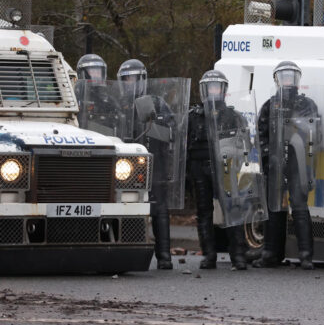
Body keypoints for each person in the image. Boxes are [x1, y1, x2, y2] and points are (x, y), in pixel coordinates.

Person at [253, 61, 319, 270]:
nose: (288, 80)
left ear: (297, 79)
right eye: (284, 77)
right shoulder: (270, 105)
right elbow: (260, 134)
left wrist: (309, 164)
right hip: (274, 162)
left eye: (291, 77)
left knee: (299, 206)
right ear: (277, 80)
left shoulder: (307, 105)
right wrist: (267, 156)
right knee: (274, 207)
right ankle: (271, 253)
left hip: (297, 161)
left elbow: (313, 134)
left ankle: (306, 255)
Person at [187, 69, 249, 270]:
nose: (213, 91)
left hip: (225, 167)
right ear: (203, 90)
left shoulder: (233, 116)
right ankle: (209, 255)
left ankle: (238, 255)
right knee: (204, 211)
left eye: (217, 87)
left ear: (223, 90)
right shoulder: (193, 117)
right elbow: (183, 146)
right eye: (210, 87)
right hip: (199, 168)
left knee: (232, 208)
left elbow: (244, 145)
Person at [117, 59, 174, 270]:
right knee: (128, 205)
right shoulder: (118, 103)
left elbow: (171, 131)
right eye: (126, 79)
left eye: (134, 78)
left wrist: (153, 121)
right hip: (126, 163)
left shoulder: (157, 102)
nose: (130, 82)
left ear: (142, 79)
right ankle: (130, 254)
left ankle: (164, 256)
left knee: (159, 208)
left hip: (154, 161)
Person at [75, 54, 121, 134]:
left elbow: (118, 124)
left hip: (104, 140)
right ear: (82, 73)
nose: (96, 75)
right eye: (92, 71)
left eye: (98, 71)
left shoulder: (109, 101)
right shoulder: (74, 97)